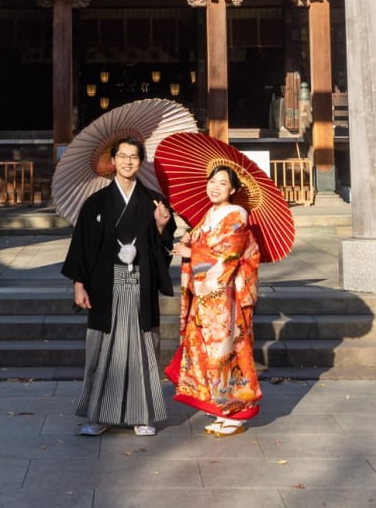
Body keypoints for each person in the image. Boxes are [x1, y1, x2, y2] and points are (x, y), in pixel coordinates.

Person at [61, 135, 174, 437]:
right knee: (103, 349)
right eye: (122, 156)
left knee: (142, 349)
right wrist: (79, 284)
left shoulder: (153, 201)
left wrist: (162, 226)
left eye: (134, 156)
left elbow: (164, 248)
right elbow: (82, 247)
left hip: (140, 283)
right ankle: (100, 414)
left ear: (141, 161)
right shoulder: (95, 203)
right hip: (104, 285)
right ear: (112, 161)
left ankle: (142, 414)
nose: (127, 161)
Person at [166, 164, 261, 436]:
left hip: (224, 298)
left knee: (227, 353)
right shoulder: (209, 214)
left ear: (232, 189)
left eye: (222, 183)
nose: (215, 186)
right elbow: (204, 244)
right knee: (208, 354)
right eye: (211, 181)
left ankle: (238, 413)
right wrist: (190, 239)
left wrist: (191, 251)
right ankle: (222, 409)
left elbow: (226, 256)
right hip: (206, 298)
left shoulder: (237, 215)